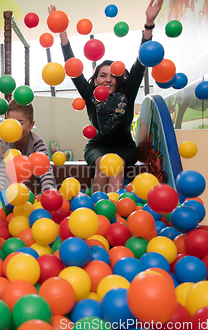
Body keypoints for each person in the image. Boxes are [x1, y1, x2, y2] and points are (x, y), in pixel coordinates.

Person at [49, 0, 163, 193]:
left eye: (113, 76)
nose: (108, 80)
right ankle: (98, 209)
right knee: (104, 163)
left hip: (125, 147)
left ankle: (114, 213)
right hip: (97, 147)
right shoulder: (89, 94)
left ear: (119, 80)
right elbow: (72, 67)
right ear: (95, 80)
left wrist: (149, 23)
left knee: (116, 164)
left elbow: (141, 62)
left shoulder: (127, 92)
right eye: (103, 75)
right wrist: (62, 33)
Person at [0, 100, 56, 192]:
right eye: (12, 123)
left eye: (20, 123)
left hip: (28, 181)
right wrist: (2, 193)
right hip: (9, 184)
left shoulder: (37, 143)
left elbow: (45, 172)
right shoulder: (2, 141)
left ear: (31, 125)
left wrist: (48, 192)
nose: (15, 128)